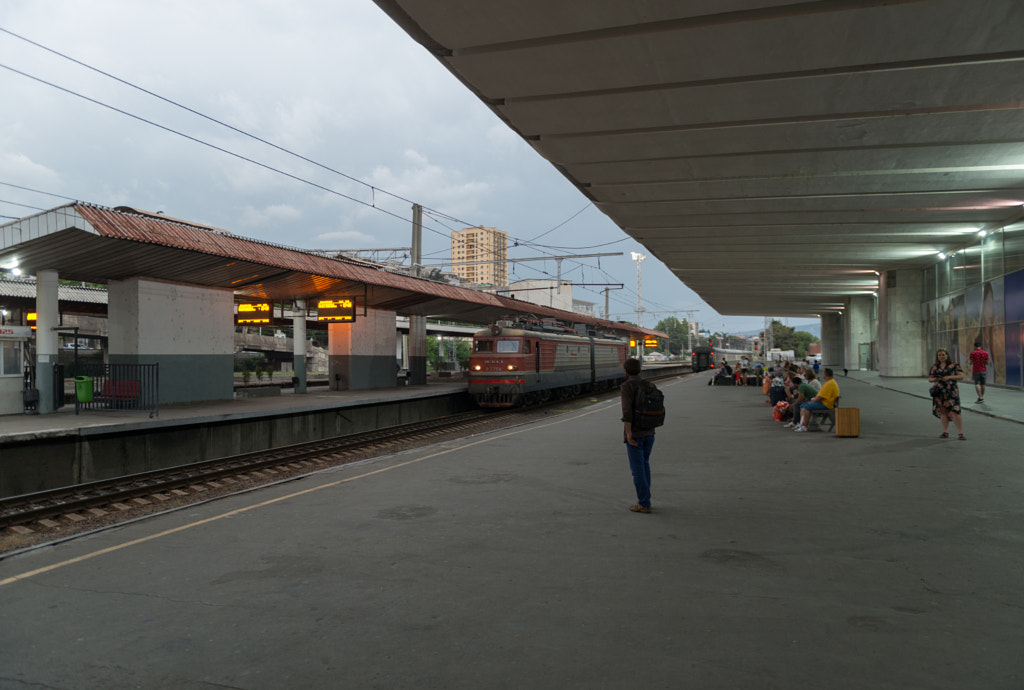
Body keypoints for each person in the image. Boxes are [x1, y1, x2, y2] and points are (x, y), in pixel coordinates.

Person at [621, 358, 655, 513]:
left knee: (637, 469)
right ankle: (645, 499)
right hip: (649, 431)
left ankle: (644, 503)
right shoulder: (648, 384)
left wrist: (628, 433)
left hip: (635, 433)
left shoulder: (627, 386)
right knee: (645, 464)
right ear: (640, 370)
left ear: (626, 371)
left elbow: (627, 413)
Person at [929, 348, 965, 440]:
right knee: (943, 411)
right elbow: (930, 379)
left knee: (955, 411)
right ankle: (945, 432)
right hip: (939, 392)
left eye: (943, 354)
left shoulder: (954, 365)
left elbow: (961, 376)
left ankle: (960, 433)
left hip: (951, 391)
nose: (941, 356)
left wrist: (949, 377)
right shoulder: (935, 366)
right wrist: (937, 379)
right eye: (939, 355)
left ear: (947, 355)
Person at [794, 368, 840, 432]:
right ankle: (802, 424)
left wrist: (812, 401)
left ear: (825, 374)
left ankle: (805, 426)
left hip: (825, 404)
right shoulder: (830, 382)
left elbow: (821, 397)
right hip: (824, 402)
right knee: (803, 405)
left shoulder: (829, 384)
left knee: (806, 407)